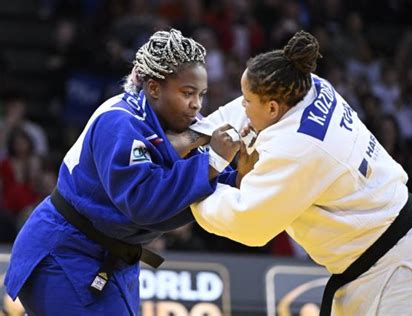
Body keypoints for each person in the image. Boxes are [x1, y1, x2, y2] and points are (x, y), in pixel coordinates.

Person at [175, 31, 412, 315]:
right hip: (392, 257)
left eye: (247, 100)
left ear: (273, 107)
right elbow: (247, 108)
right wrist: (191, 135)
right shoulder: (307, 85)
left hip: (405, 271)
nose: (242, 105)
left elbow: (250, 223)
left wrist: (193, 183)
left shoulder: (298, 148)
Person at [4, 28, 240, 315]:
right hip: (64, 251)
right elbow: (143, 202)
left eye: (201, 94)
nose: (197, 104)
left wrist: (239, 174)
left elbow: (208, 171)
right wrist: (215, 161)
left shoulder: (185, 120)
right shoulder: (120, 123)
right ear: (154, 88)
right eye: (187, 93)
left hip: (112, 258)